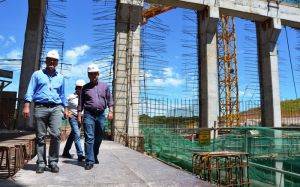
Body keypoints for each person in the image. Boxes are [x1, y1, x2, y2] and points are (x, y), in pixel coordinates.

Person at [22, 49, 68, 173]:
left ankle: (53, 162)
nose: (52, 62)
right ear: (46, 60)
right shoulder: (37, 74)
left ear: (57, 62)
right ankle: (41, 163)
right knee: (40, 136)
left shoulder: (60, 77)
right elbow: (30, 90)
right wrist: (27, 105)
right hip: (40, 107)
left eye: (54, 60)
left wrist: (66, 108)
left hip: (56, 108)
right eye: (50, 60)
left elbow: (63, 95)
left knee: (56, 135)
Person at [77, 63, 113, 170]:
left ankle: (94, 154)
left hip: (101, 114)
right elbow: (80, 103)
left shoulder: (105, 86)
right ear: (88, 75)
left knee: (99, 137)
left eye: (95, 74)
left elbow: (110, 99)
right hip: (89, 114)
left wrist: (111, 111)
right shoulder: (85, 88)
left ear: (98, 74)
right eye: (91, 74)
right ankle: (89, 160)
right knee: (89, 137)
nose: (93, 76)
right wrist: (79, 115)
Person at [62, 79, 85, 161]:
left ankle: (65, 152)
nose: (82, 90)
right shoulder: (71, 97)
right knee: (77, 135)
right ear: (77, 88)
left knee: (73, 135)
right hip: (73, 118)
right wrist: (66, 112)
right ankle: (80, 154)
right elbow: (62, 103)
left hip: (81, 118)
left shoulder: (85, 97)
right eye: (81, 88)